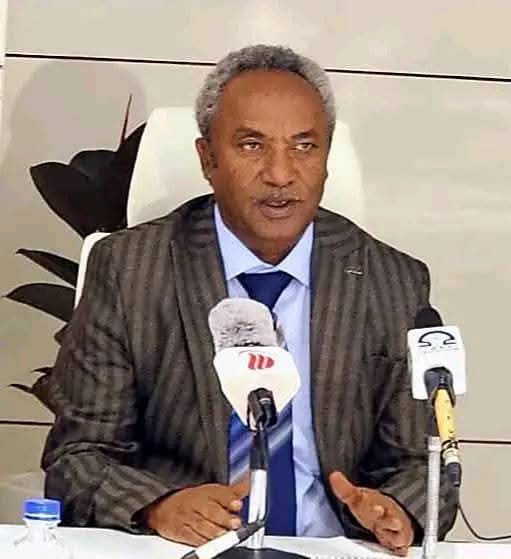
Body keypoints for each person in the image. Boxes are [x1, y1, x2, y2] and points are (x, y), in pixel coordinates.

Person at [42, 45, 458, 555]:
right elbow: (79, 457)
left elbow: (424, 463)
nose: (281, 174)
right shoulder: (131, 271)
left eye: (304, 146)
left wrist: (398, 509)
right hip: (187, 550)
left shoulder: (392, 281)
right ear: (207, 159)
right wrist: (158, 506)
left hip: (332, 548)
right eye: (252, 145)